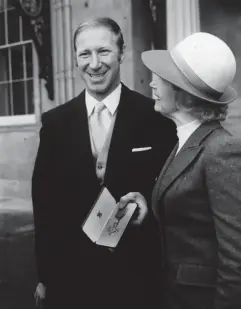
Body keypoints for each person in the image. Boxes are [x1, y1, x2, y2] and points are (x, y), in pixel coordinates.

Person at [32, 17, 177, 308]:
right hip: (71, 280)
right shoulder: (55, 123)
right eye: (85, 54)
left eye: (104, 51)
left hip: (136, 278)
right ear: (75, 59)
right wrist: (45, 276)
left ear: (122, 53)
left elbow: (172, 193)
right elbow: (44, 205)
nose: (94, 63)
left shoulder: (155, 117)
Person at [119, 32, 241, 309]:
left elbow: (237, 262)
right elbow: (192, 218)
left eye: (160, 78)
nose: (151, 83)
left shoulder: (221, 150)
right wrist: (150, 207)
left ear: (182, 93)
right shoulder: (185, 140)